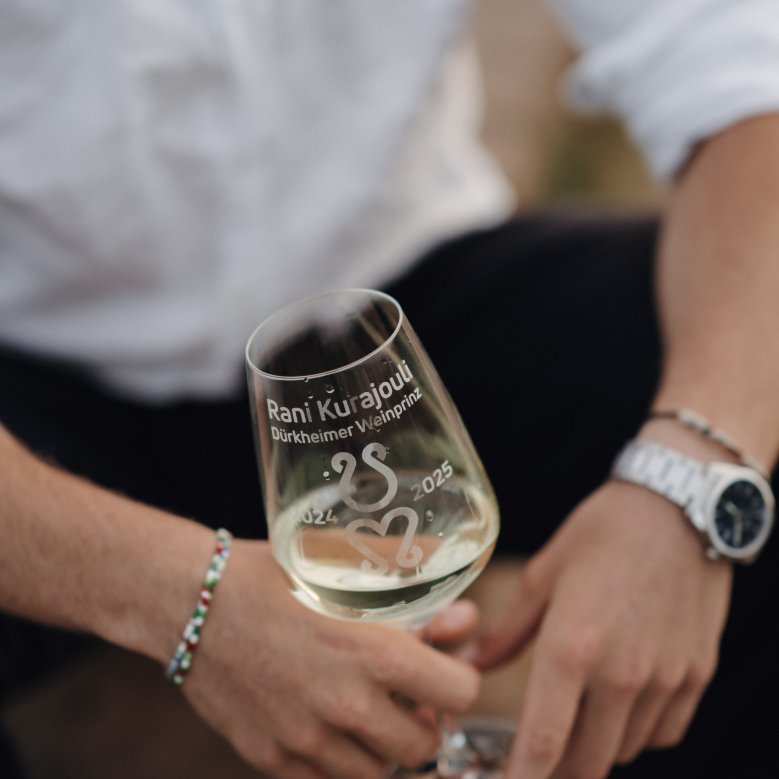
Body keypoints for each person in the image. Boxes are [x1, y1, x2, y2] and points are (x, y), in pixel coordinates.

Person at [1, 2, 778, 778]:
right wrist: (179, 598)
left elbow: (738, 70)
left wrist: (689, 477)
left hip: (393, 304)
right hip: (42, 377)